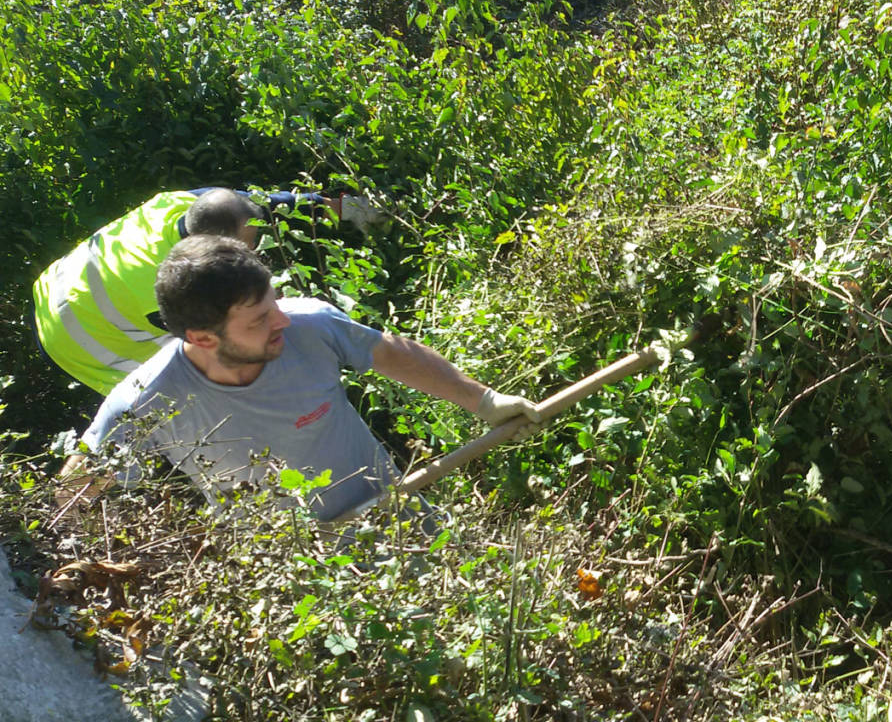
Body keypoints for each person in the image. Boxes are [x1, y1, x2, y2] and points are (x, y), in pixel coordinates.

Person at [57, 235, 540, 523]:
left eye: (274, 305)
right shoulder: (147, 401)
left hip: (402, 522)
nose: (281, 322)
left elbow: (394, 354)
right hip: (296, 581)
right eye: (258, 321)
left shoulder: (309, 325)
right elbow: (69, 500)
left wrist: (485, 400)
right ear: (202, 338)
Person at [31, 187, 380, 395]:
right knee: (200, 385)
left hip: (60, 284)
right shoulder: (172, 282)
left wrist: (344, 207)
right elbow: (231, 342)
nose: (255, 252)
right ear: (211, 246)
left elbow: (258, 203)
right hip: (78, 341)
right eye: (245, 248)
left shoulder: (180, 202)